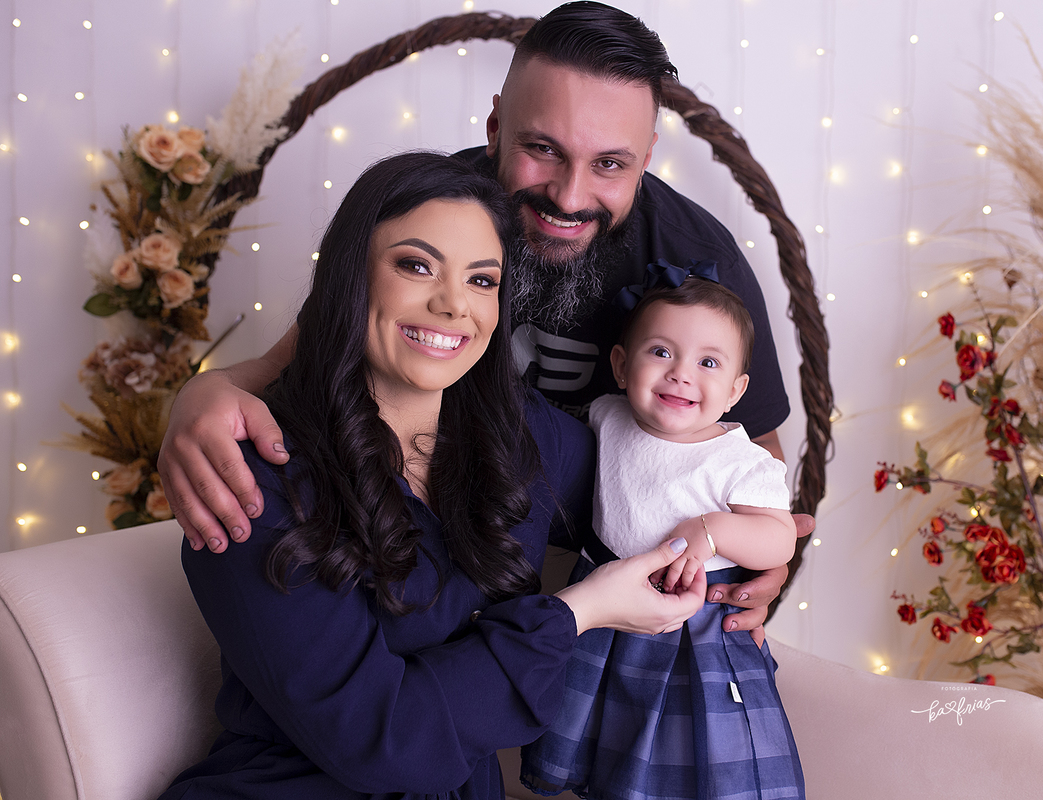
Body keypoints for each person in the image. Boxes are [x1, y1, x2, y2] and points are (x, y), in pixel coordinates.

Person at [157, 1, 812, 634]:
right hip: (435, 540)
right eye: (544, 148)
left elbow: (749, 446)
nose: (570, 196)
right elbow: (297, 359)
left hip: (614, 557)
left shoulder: (697, 260)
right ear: (496, 127)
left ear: (647, 156)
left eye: (609, 163)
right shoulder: (436, 214)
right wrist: (204, 391)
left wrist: (759, 555)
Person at [158, 152, 707, 800]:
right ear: (351, 276)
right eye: (416, 266)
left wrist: (748, 534)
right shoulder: (256, 483)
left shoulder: (519, 435)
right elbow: (386, 741)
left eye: (481, 280)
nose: (452, 305)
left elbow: (662, 489)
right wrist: (579, 612)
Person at [520, 270, 805, 800]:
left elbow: (779, 539)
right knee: (607, 744)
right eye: (661, 352)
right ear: (621, 366)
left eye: (708, 363)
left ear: (736, 390)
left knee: (690, 753)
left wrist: (712, 530)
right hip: (606, 611)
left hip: (694, 627)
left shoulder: (740, 461)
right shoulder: (608, 416)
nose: (680, 374)